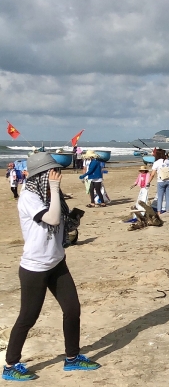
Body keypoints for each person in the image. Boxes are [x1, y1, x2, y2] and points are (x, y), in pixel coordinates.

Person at [5, 153, 101, 382]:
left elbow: (63, 223)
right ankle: (10, 364)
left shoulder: (50, 193)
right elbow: (53, 219)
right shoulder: (29, 196)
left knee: (73, 309)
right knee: (28, 316)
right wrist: (56, 189)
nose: (57, 175)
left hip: (57, 263)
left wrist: (69, 213)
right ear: (41, 175)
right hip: (34, 268)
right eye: (52, 172)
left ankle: (72, 357)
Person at [148, 149, 169, 213]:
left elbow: (152, 174)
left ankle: (159, 212)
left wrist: (148, 182)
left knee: (160, 197)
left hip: (161, 181)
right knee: (168, 197)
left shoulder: (156, 162)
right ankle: (168, 211)